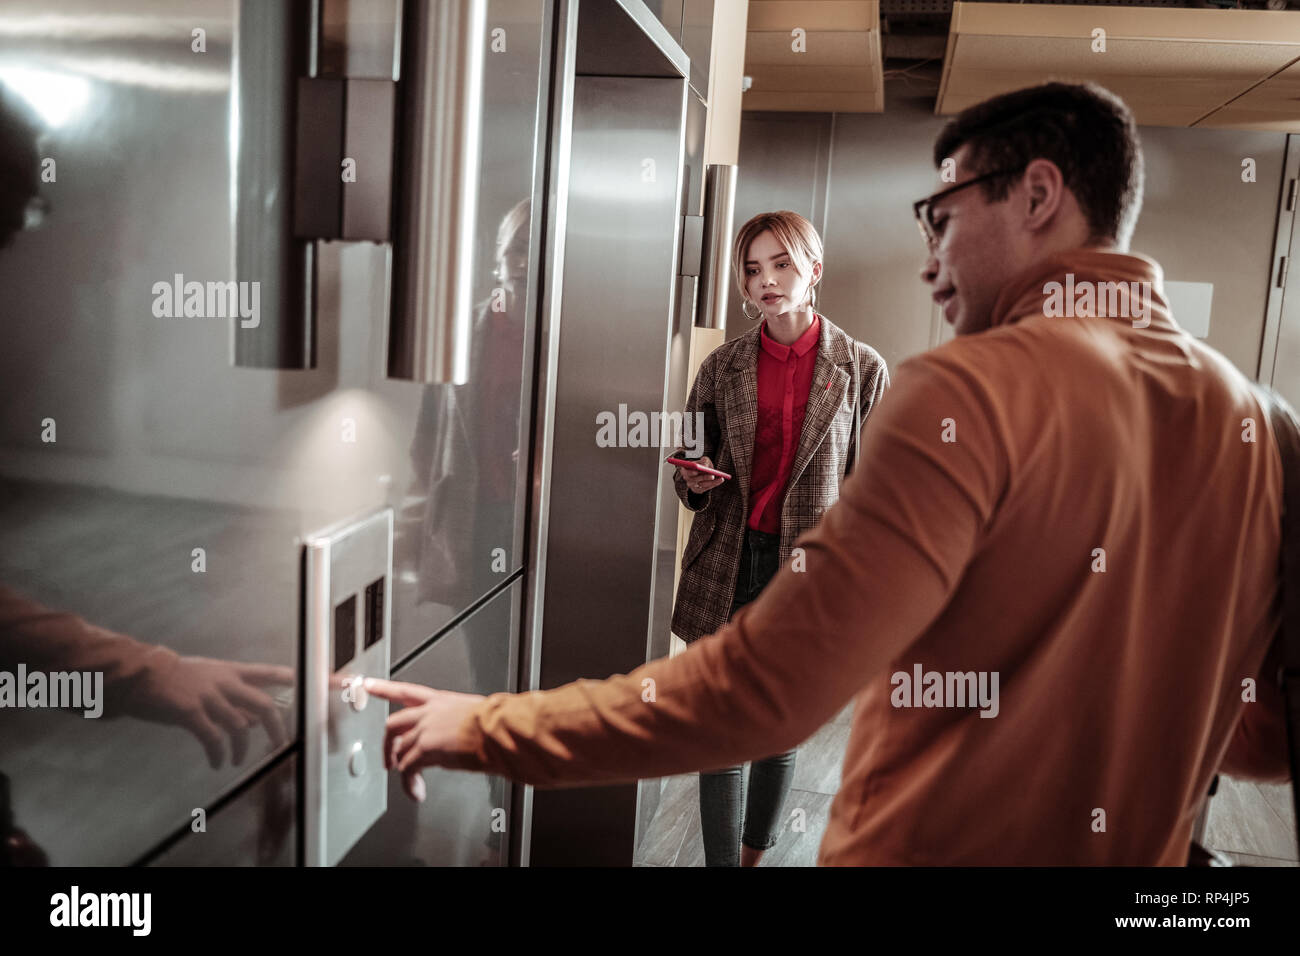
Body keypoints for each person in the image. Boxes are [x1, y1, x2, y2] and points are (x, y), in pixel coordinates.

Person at [366, 81, 1292, 865]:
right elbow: (1271, 732)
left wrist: (487, 727)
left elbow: (764, 689)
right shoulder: (1267, 427)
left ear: (1038, 194)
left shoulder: (967, 390)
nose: (931, 262)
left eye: (944, 214)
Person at [668, 210, 888, 866]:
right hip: (728, 563)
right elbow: (687, 461)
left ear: (813, 270)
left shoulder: (863, 369)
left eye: (781, 264)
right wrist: (695, 482)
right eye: (753, 268)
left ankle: (755, 853)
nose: (766, 281)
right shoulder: (721, 367)